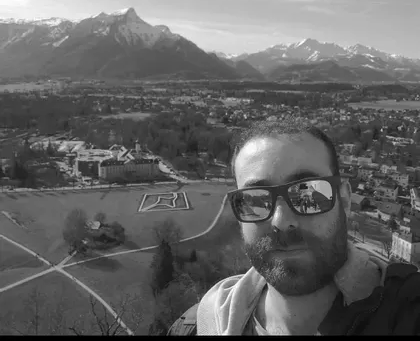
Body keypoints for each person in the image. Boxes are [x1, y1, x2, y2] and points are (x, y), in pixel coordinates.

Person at [167, 118, 420, 336]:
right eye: (256, 200)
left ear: (344, 200)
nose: (280, 221)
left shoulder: (408, 312)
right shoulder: (196, 327)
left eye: (308, 193)